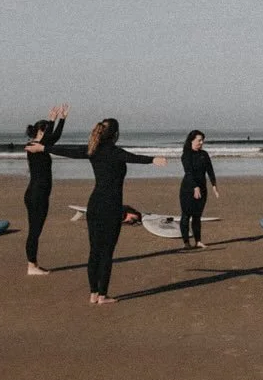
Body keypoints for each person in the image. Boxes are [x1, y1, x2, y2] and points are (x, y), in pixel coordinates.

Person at [28, 118, 167, 304]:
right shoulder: (115, 152)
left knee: (94, 251)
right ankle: (103, 295)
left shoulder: (93, 150)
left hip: (94, 205)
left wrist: (44, 148)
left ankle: (93, 293)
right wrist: (153, 160)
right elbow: (133, 158)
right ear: (116, 135)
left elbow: (70, 152)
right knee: (106, 252)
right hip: (111, 207)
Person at [23, 103, 70, 275]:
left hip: (35, 193)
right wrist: (58, 119)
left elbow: (51, 138)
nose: (48, 135)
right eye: (45, 131)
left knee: (35, 230)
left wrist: (56, 119)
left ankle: (33, 264)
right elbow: (54, 136)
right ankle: (32, 266)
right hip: (37, 194)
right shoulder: (33, 147)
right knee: (35, 231)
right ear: (40, 132)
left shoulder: (38, 146)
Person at [179, 129, 219, 249]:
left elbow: (210, 171)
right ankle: (186, 243)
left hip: (202, 189)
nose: (201, 142)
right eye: (199, 140)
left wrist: (214, 186)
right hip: (187, 189)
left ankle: (198, 241)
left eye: (202, 140)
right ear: (191, 141)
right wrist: (194, 187)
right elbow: (188, 172)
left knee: (197, 216)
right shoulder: (186, 155)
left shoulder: (204, 154)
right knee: (186, 215)